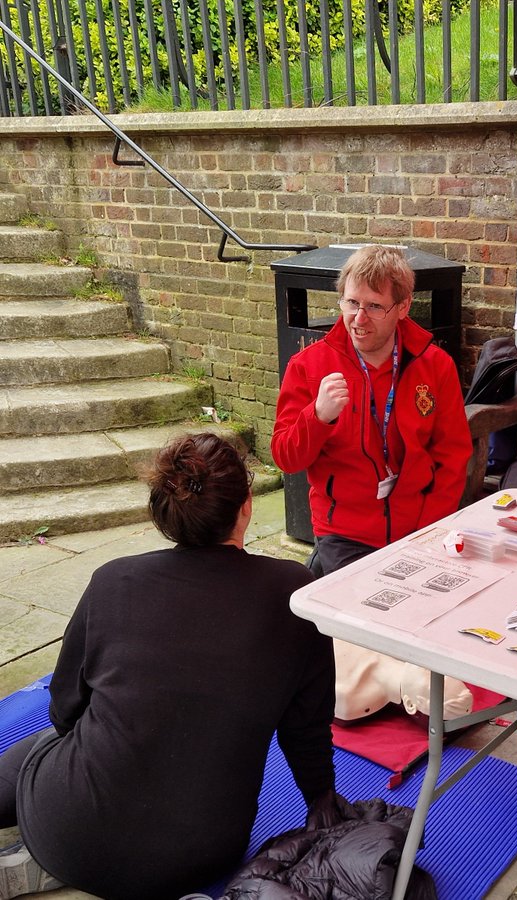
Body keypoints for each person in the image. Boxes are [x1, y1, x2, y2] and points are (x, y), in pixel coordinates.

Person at [0, 433, 335, 900]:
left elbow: (64, 712)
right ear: (246, 508)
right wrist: (323, 803)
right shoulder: (295, 592)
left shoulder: (114, 581)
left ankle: (56, 856)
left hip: (70, 834)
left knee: (37, 747)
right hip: (206, 855)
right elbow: (307, 730)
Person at [271, 244, 472, 577]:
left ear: (403, 307)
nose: (358, 319)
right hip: (346, 532)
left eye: (375, 306)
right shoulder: (308, 366)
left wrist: (429, 528)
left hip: (419, 526)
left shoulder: (435, 365)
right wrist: (317, 417)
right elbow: (286, 457)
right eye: (351, 303)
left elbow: (452, 454)